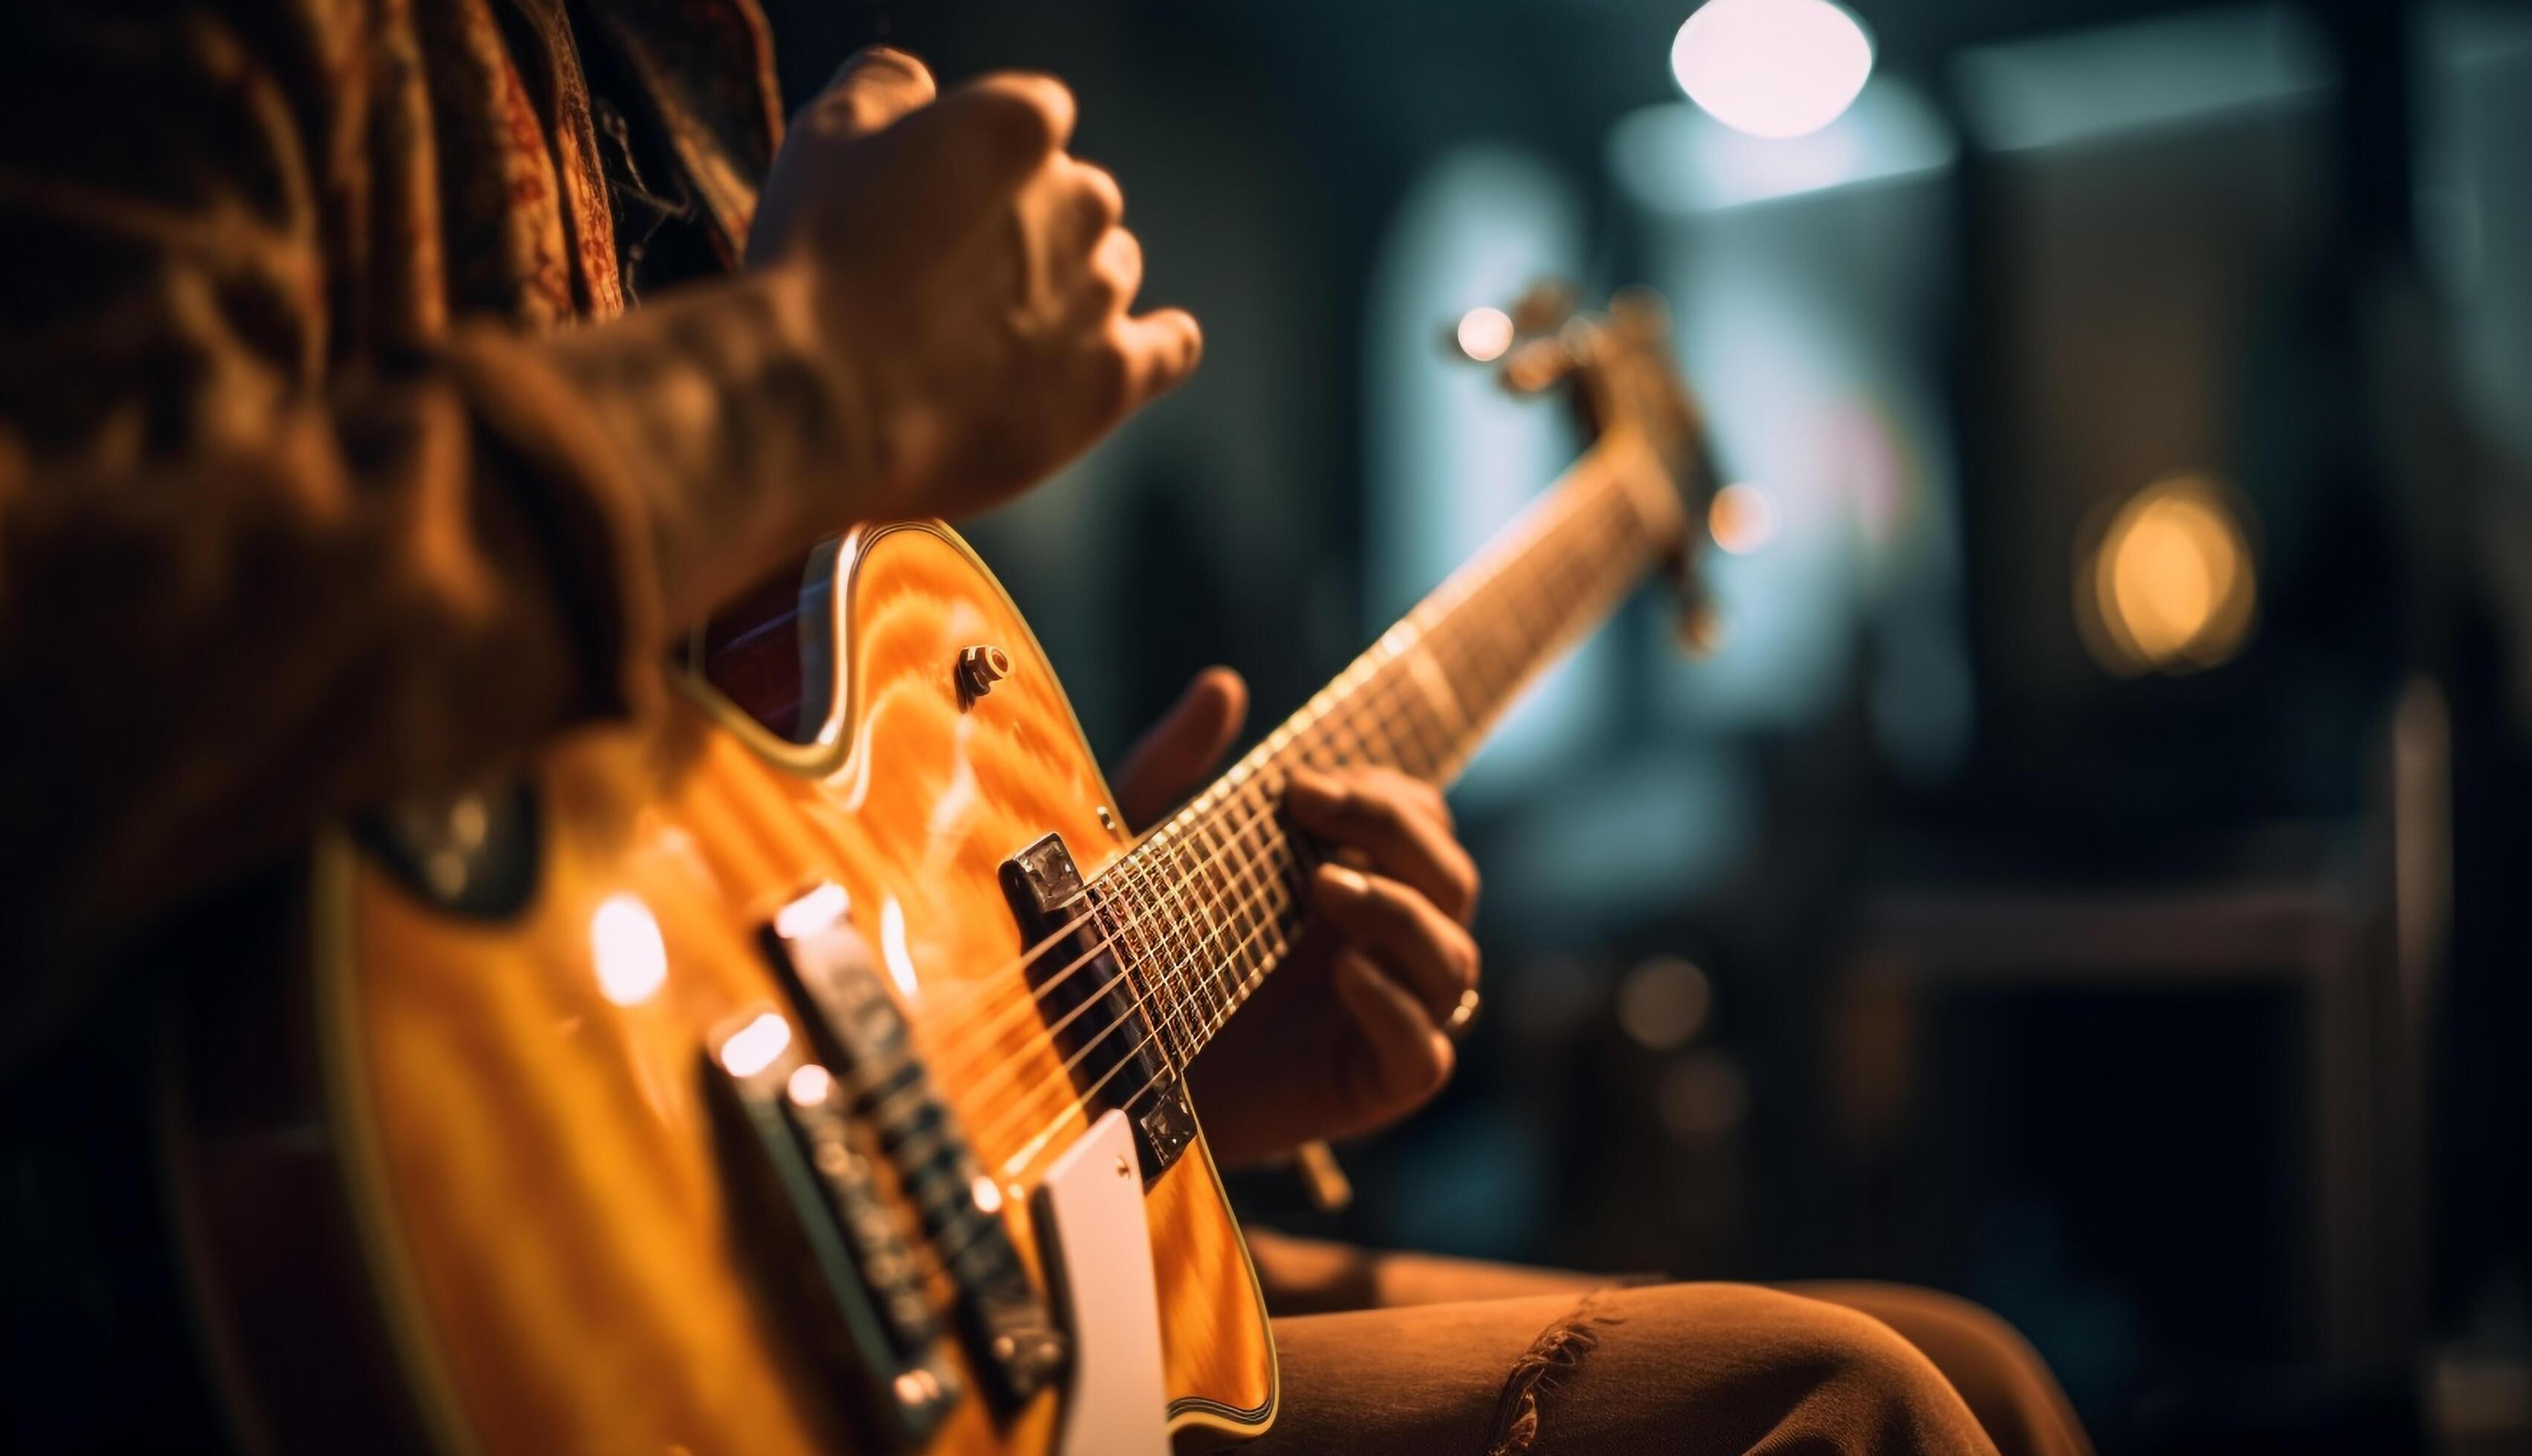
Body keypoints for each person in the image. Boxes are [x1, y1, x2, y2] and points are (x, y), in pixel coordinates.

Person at [0, 3, 2089, 1451]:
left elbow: (699, 835)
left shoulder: (658, 58)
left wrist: (1132, 1059)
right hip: (361, 1300)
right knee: (1859, 1419)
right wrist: (814, 370)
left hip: (801, 1251)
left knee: (1966, 1370)